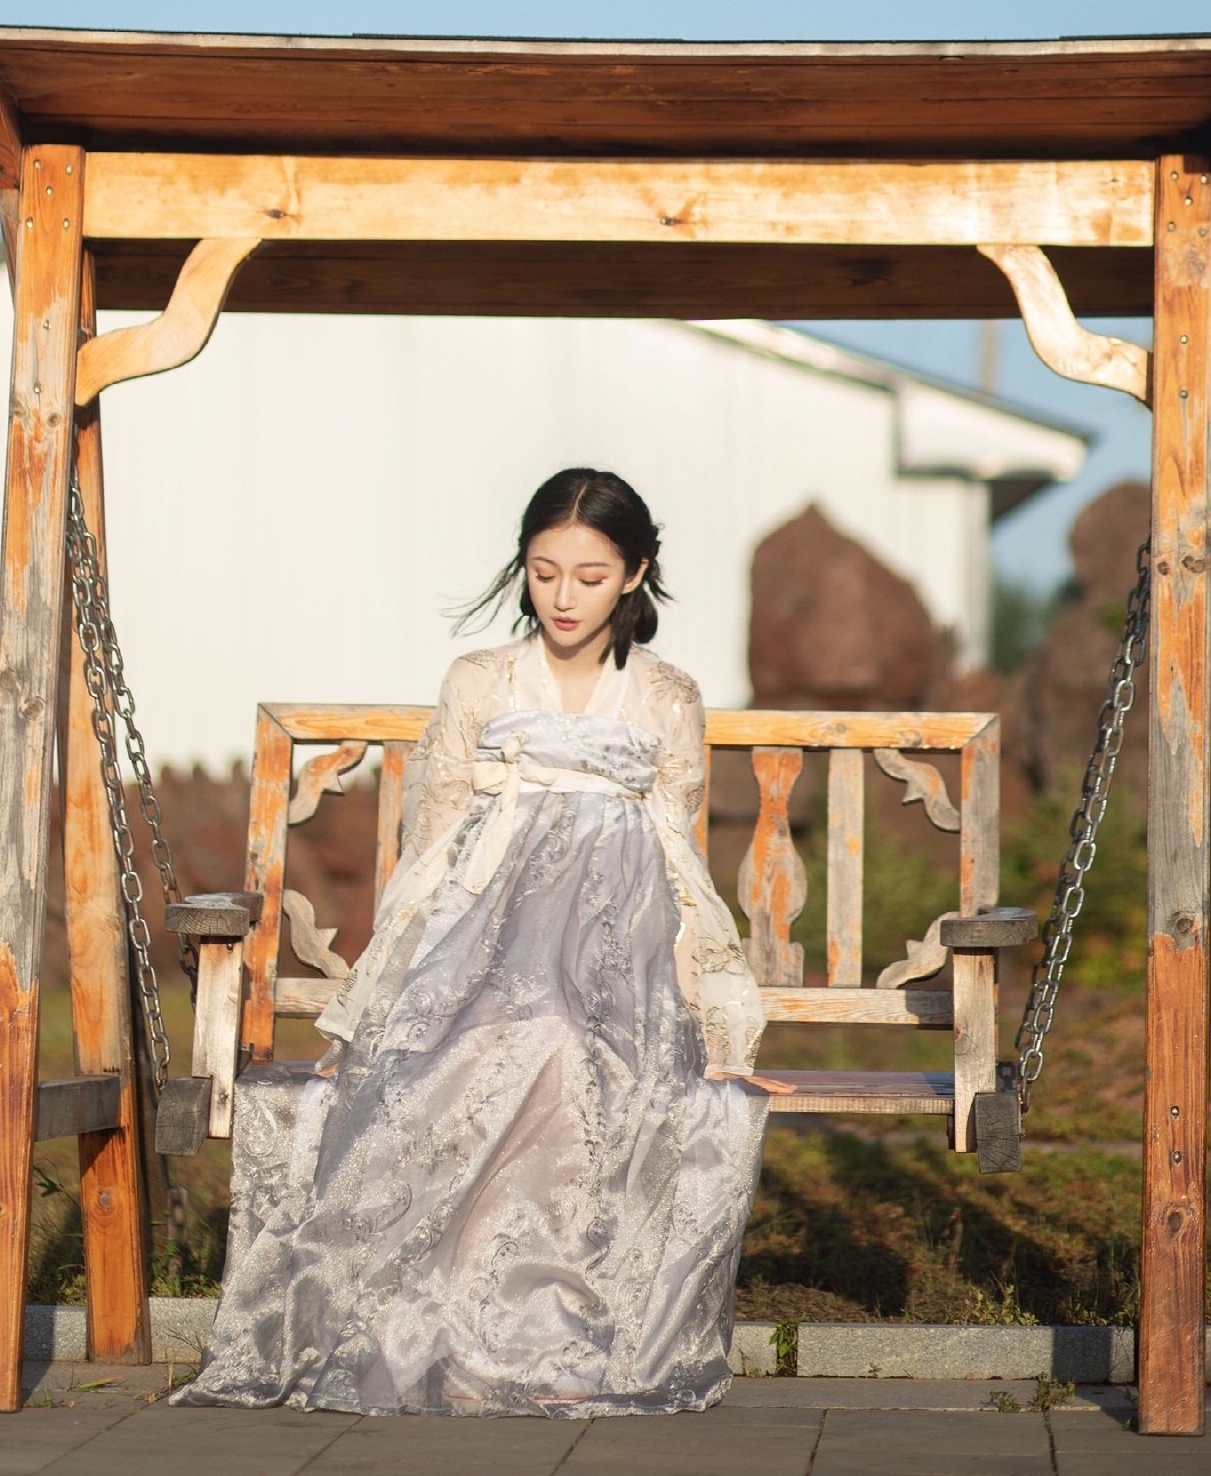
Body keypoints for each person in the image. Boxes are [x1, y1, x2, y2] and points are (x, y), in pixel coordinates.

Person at [172, 467, 770, 1418]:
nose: (563, 596)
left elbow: (675, 855)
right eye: (543, 571)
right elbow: (436, 844)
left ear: (632, 574)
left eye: (589, 576)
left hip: (618, 955)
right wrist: (390, 991)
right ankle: (443, 1330)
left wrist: (704, 1002)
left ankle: (555, 1334)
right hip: (483, 942)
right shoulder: (480, 682)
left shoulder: (663, 695)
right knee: (488, 1048)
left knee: (576, 1052)